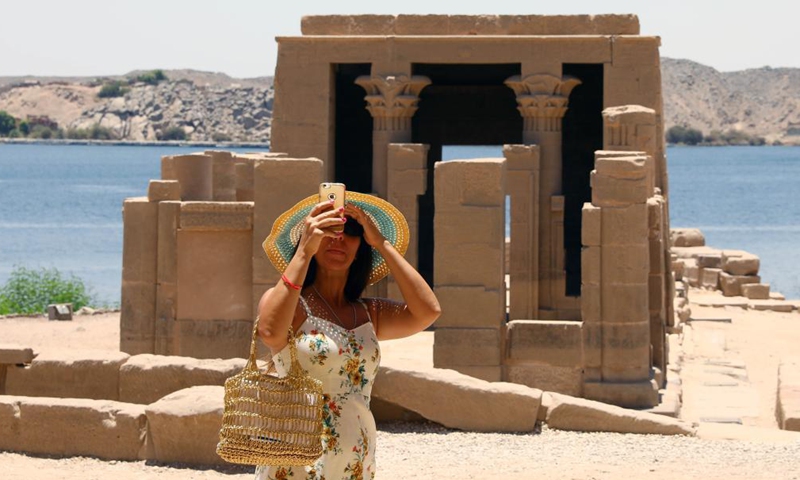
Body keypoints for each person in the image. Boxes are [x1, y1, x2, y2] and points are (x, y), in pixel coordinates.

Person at [255, 191, 441, 480]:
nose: (338, 237)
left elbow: (428, 311)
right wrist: (304, 250)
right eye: (329, 227)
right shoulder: (293, 306)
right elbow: (269, 332)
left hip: (354, 458)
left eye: (351, 231)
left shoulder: (368, 313)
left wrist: (381, 243)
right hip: (297, 458)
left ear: (361, 246)